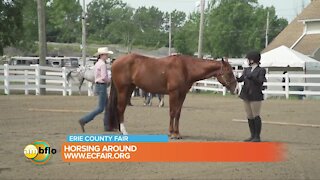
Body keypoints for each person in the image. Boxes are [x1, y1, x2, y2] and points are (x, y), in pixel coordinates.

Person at [78, 47, 113, 132]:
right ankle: (84, 120)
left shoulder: (97, 64)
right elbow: (104, 77)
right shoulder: (102, 64)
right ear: (102, 55)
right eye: (106, 54)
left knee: (107, 106)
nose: (107, 56)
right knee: (100, 108)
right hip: (102, 86)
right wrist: (111, 80)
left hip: (98, 85)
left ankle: (107, 126)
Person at [237, 50, 267, 142]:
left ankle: (257, 136)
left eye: (248, 59)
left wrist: (252, 77)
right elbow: (241, 79)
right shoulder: (246, 70)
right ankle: (252, 135)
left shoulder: (261, 70)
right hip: (246, 94)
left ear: (253, 60)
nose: (247, 61)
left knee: (255, 115)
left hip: (255, 94)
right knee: (249, 115)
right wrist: (235, 78)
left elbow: (261, 81)